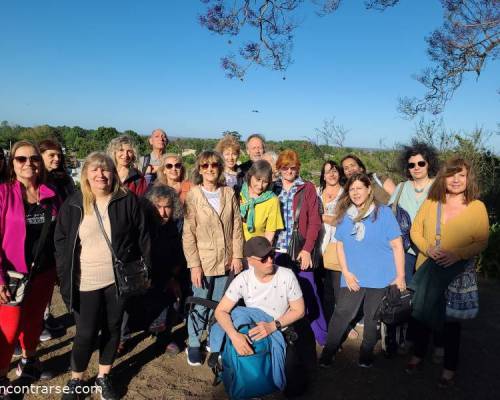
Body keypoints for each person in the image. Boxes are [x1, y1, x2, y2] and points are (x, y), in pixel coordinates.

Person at [54, 152, 151, 400]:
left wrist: (145, 268)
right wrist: (64, 271)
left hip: (117, 280)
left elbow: (142, 237)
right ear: (86, 173)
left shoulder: (127, 200)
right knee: (85, 332)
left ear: (113, 173)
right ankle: (77, 379)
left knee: (112, 327)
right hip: (85, 279)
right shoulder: (74, 204)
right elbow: (61, 241)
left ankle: (103, 376)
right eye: (95, 169)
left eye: (105, 169)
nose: (100, 174)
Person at [407, 157, 489, 387]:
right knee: (422, 314)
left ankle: (449, 367)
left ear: (468, 178)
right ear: (443, 177)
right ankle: (418, 355)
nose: (455, 179)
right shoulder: (432, 202)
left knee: (451, 321)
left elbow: (482, 241)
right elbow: (415, 230)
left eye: (461, 175)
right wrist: (427, 249)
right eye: (451, 174)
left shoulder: (476, 207)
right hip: (426, 267)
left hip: (456, 273)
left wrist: (457, 254)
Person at [319, 173, 406, 368]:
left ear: (369, 189)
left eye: (359, 188)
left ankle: (366, 353)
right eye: (352, 189)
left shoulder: (383, 213)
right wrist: (346, 273)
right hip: (353, 277)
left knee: (372, 317)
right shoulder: (346, 215)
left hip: (381, 277)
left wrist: (400, 276)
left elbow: (397, 245)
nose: (356, 192)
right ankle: (329, 351)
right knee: (342, 313)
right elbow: (339, 245)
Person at [214, 236, 316, 396]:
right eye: (263, 258)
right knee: (246, 372)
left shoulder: (286, 275)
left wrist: (272, 326)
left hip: (280, 330)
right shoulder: (243, 279)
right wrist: (234, 335)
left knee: (294, 388)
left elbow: (299, 310)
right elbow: (220, 311)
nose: (270, 260)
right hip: (255, 333)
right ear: (250, 260)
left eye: (272, 255)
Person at [0, 140, 59, 392]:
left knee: (34, 321)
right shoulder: (3, 193)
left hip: (44, 272)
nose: (28, 164)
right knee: (8, 329)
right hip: (12, 275)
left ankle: (28, 360)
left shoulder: (50, 194)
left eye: (34, 158)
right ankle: (2, 376)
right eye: (21, 159)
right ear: (12, 164)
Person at [183, 150, 244, 366]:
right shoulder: (193, 195)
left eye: (214, 165)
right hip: (204, 262)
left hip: (227, 260)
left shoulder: (228, 193)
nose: (210, 169)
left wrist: (237, 255)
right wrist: (194, 266)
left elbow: (237, 226)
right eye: (205, 165)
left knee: (220, 305)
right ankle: (193, 343)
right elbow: (188, 234)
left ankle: (212, 337)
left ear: (219, 168)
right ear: (199, 169)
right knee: (200, 304)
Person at [273, 150, 327, 346]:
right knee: (280, 294)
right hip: (277, 249)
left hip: (299, 249)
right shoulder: (273, 188)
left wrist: (307, 249)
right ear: (278, 168)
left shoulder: (306, 188)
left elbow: (314, 222)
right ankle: (288, 332)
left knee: (308, 289)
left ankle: (320, 334)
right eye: (285, 167)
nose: (289, 171)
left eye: (293, 167)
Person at [139, 185, 186, 355]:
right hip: (145, 273)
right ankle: (123, 336)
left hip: (170, 270)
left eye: (167, 207)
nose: (163, 212)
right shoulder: (144, 223)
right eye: (158, 207)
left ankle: (164, 336)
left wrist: (173, 276)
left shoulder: (178, 224)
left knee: (174, 295)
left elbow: (181, 253)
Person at [38, 139, 76, 342]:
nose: (56, 158)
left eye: (58, 155)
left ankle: (45, 315)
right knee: (39, 280)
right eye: (51, 155)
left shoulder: (64, 179)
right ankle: (36, 322)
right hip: (44, 235)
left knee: (51, 278)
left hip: (62, 234)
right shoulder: (37, 180)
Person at [317, 160, 344, 322]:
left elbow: (342, 220)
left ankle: (340, 324)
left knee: (336, 290)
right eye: (328, 172)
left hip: (335, 246)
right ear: (323, 176)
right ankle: (324, 323)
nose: (332, 174)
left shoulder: (345, 193)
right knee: (320, 288)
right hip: (317, 245)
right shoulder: (316, 192)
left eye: (334, 171)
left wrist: (320, 217)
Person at [240, 160, 284, 243]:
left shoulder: (272, 201)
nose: (260, 186)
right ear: (250, 175)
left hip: (257, 249)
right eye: (258, 179)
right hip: (236, 248)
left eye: (265, 182)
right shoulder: (239, 193)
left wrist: (263, 252)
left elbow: (270, 233)